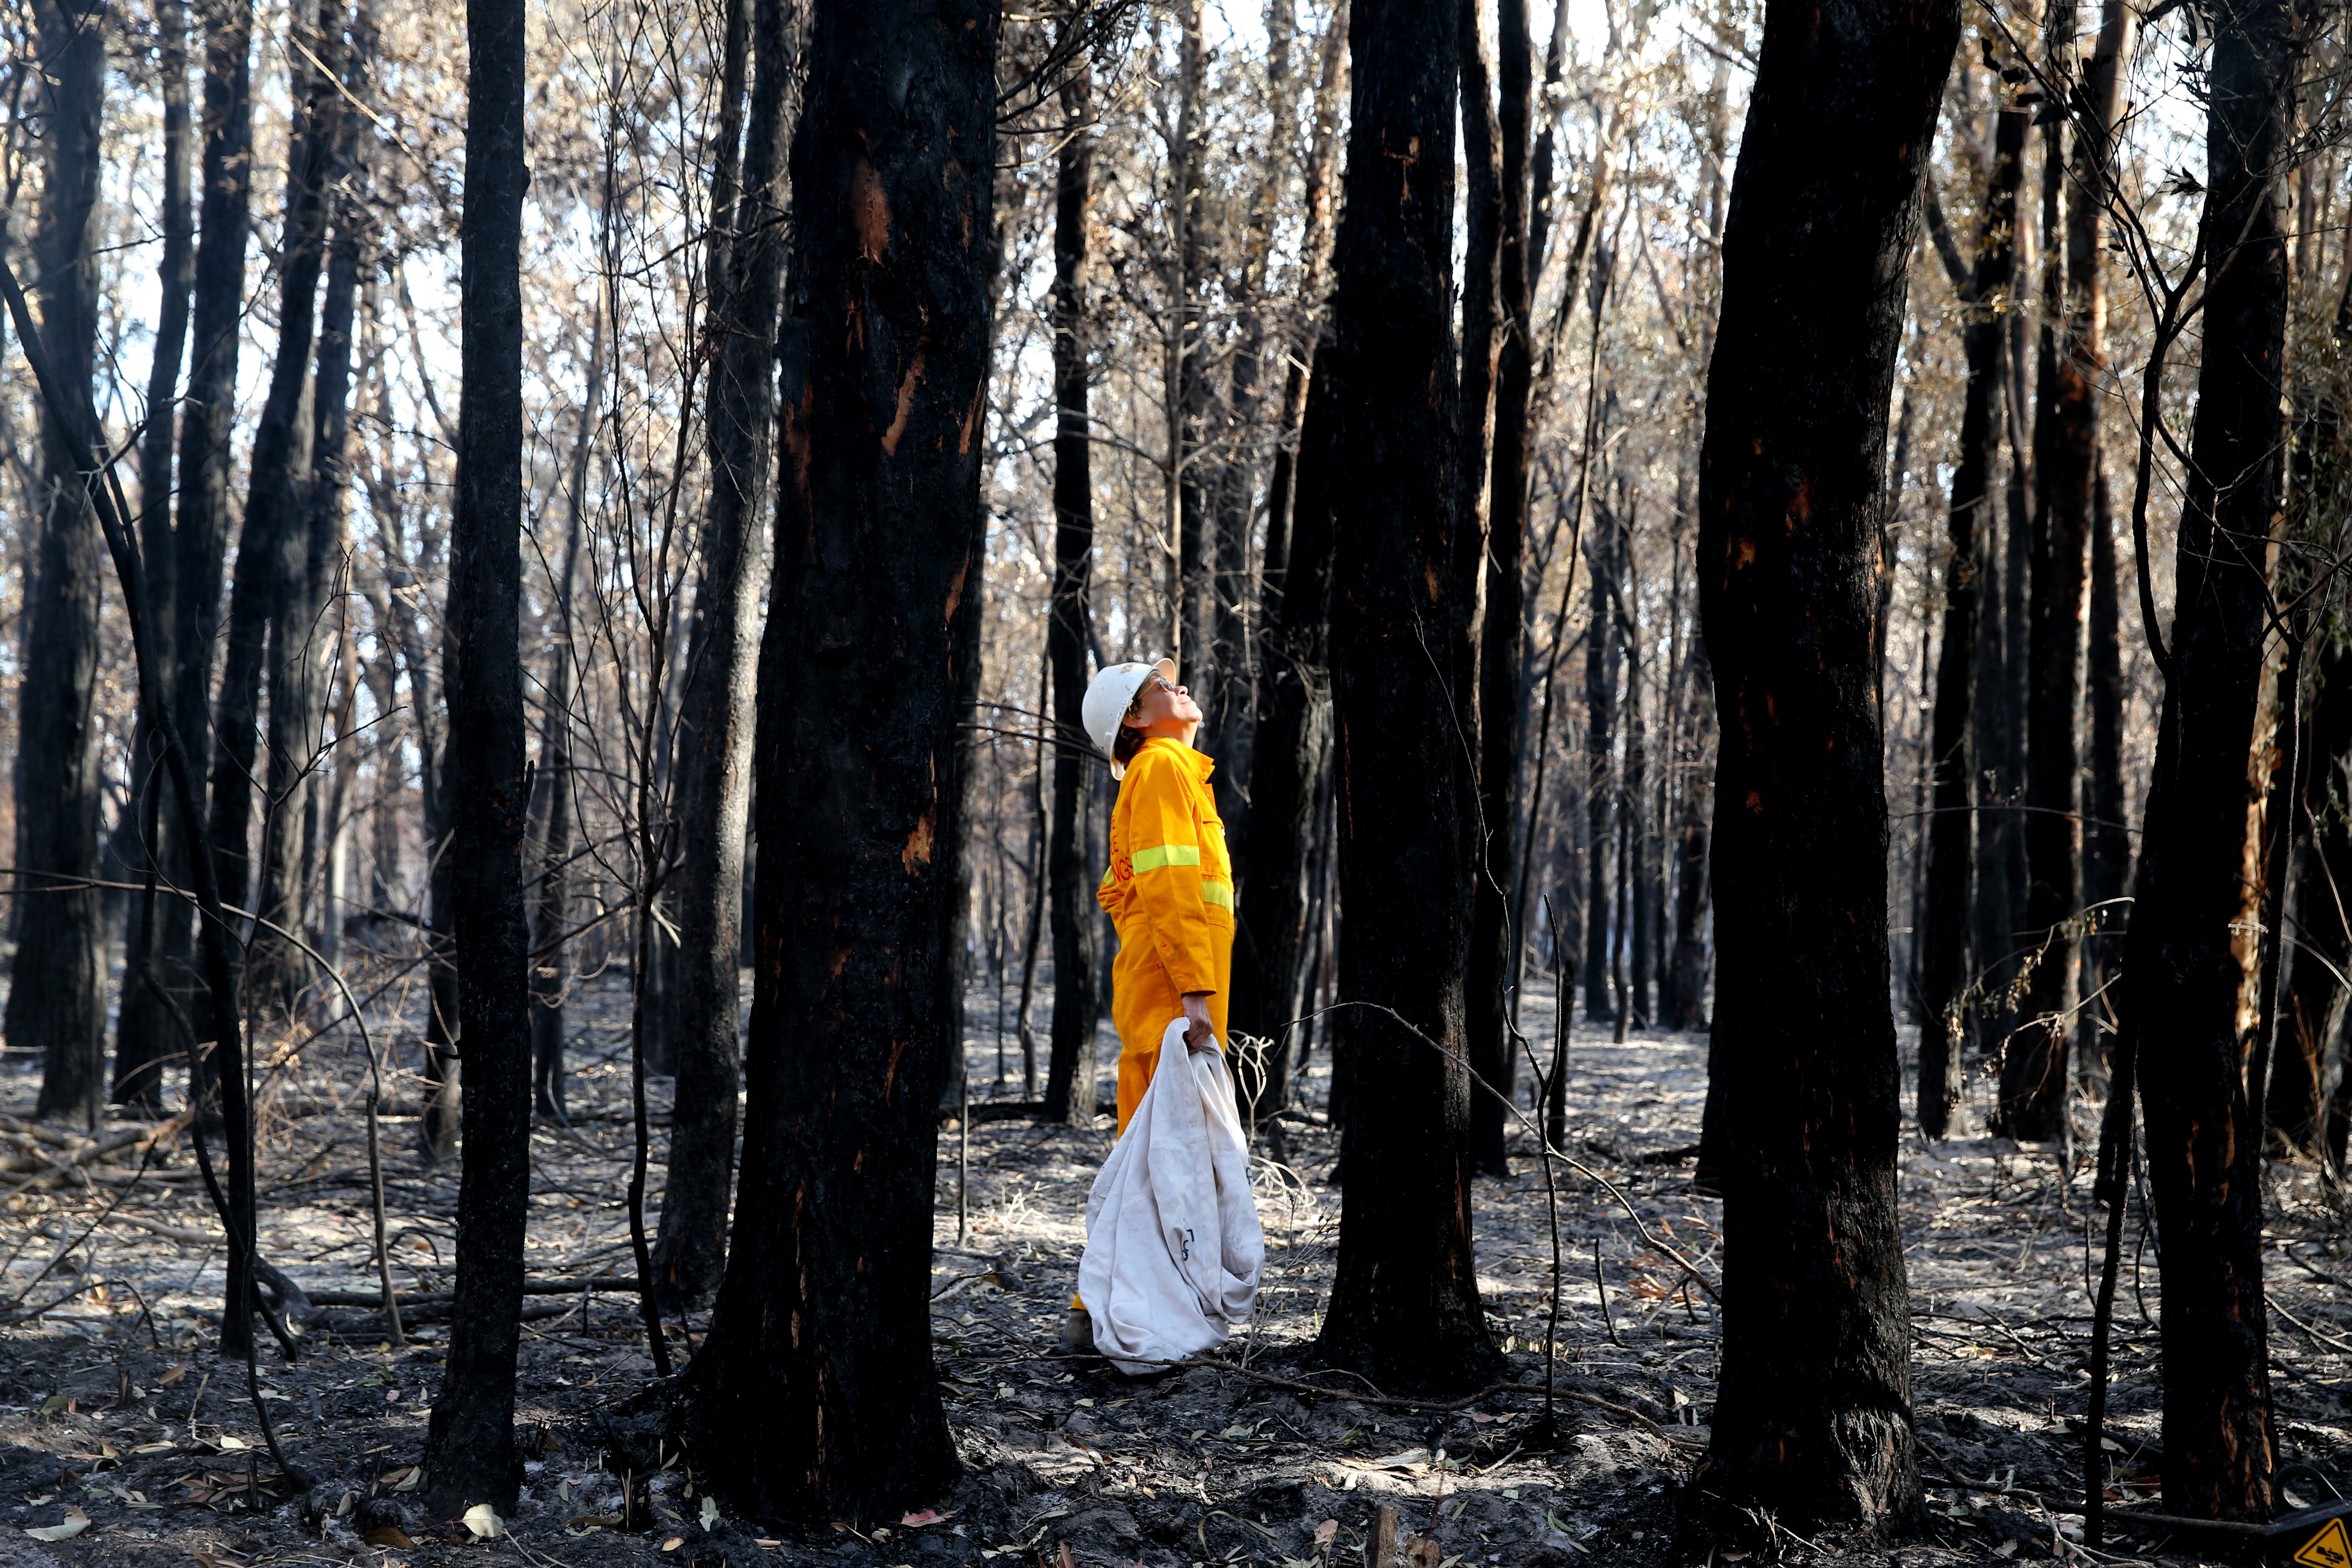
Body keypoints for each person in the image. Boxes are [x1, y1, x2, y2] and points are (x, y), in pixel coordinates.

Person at [1063, 657, 1233, 1354]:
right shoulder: (1161, 769)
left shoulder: (1171, 777)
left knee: (1157, 1157)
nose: (1181, 687)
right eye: (1162, 687)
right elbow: (1164, 890)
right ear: (1134, 719)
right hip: (1174, 993)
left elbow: (1122, 888)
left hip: (1171, 987)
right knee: (1154, 1159)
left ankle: (1116, 1311)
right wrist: (1194, 994)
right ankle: (1106, 1316)